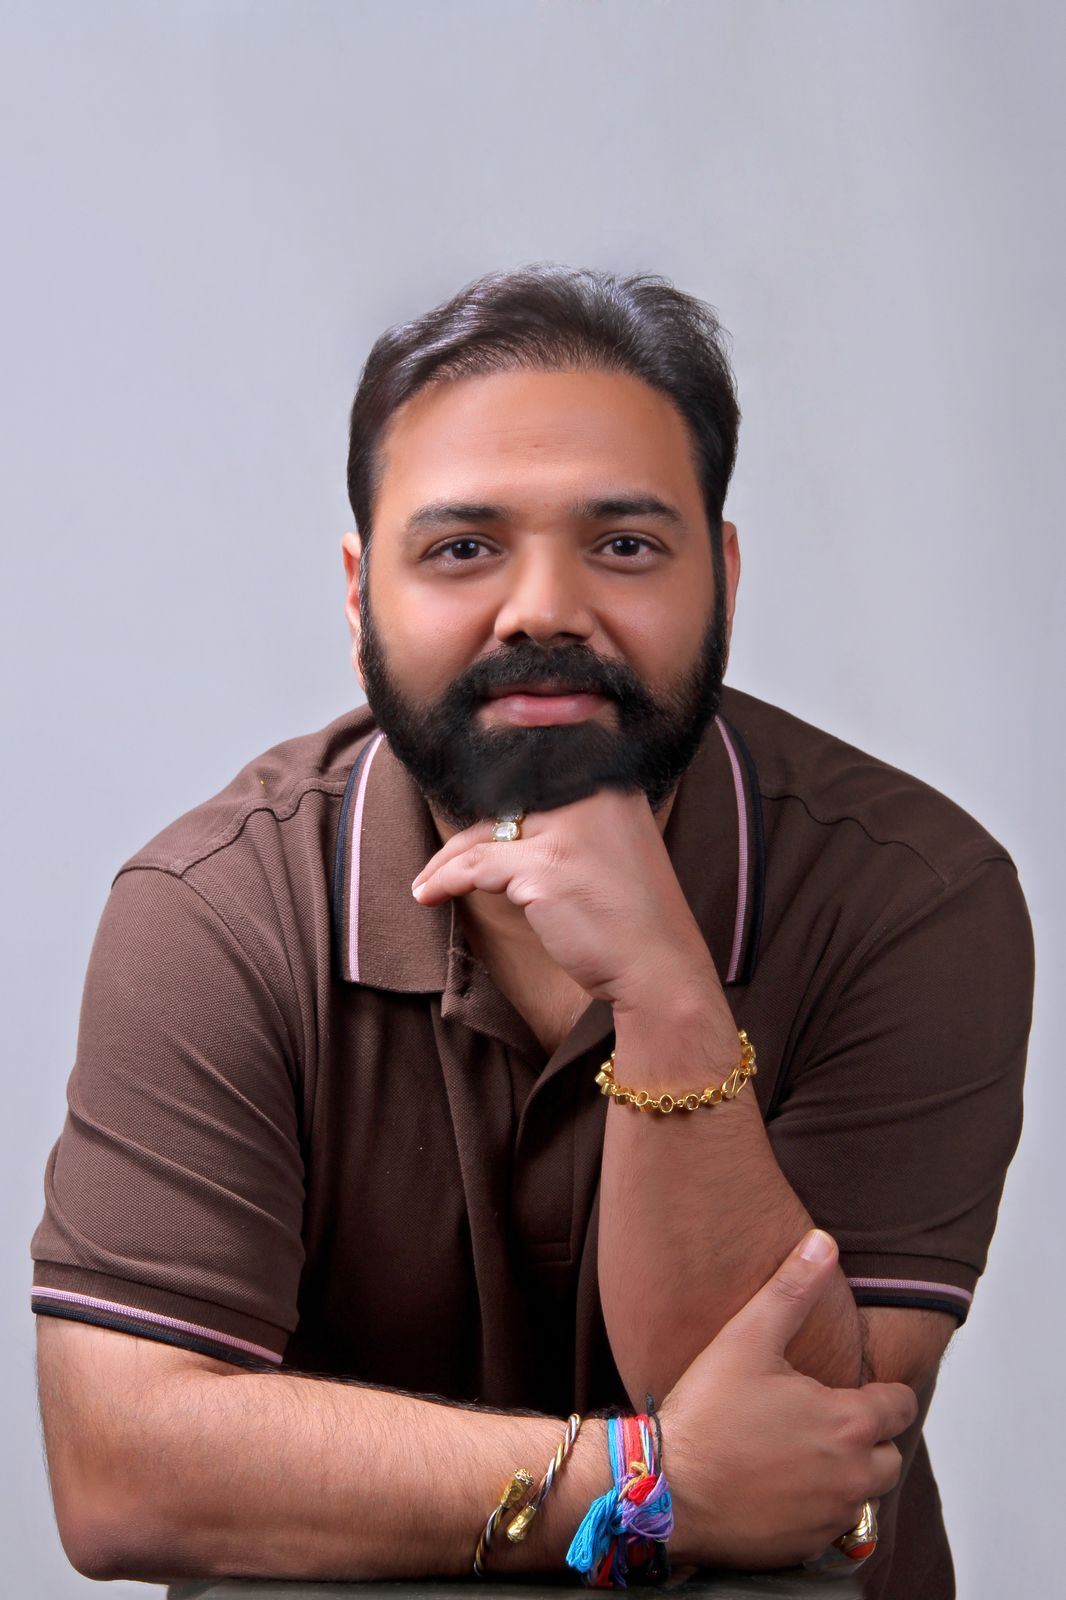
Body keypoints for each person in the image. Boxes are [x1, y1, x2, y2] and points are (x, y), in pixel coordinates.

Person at [31, 267, 1032, 1597]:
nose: (544, 609)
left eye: (625, 546)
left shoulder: (909, 892)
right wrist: (648, 1483)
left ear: (723, 580)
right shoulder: (217, 910)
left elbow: (812, 1455)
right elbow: (122, 1472)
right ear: (358, 598)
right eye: (463, 548)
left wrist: (668, 993)